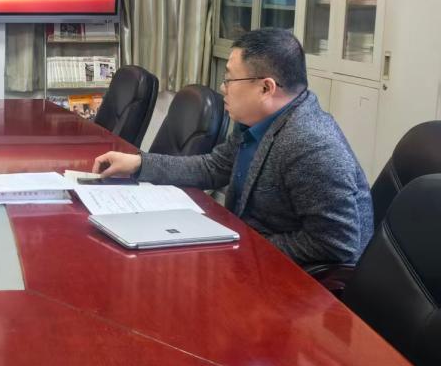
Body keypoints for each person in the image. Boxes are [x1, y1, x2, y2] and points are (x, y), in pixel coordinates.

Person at [92, 28, 373, 266]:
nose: (223, 88)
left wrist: (242, 247)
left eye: (230, 79)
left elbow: (336, 244)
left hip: (295, 282)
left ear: (266, 88)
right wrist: (139, 164)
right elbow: (213, 167)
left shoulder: (311, 144)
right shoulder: (256, 120)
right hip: (246, 253)